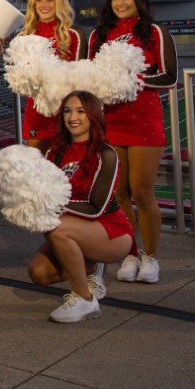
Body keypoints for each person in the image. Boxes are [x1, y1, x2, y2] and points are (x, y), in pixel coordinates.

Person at [88, 0, 177, 285]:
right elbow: (91, 77)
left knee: (143, 192)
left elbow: (170, 77)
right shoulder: (99, 35)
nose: (121, 3)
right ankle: (130, 252)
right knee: (120, 193)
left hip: (143, 121)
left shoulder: (154, 32)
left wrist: (130, 80)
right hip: (111, 122)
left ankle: (150, 257)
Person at [27, 91, 134, 323]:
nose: (72, 117)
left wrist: (52, 206)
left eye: (80, 111)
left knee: (56, 226)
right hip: (73, 227)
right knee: (39, 272)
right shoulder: (54, 152)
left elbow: (97, 207)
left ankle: (84, 299)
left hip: (111, 231)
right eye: (67, 111)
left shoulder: (106, 154)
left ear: (93, 115)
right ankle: (90, 266)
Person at [15, 0, 85, 152]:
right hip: (36, 112)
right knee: (38, 170)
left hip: (67, 111)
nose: (43, 5)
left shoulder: (74, 34)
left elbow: (82, 79)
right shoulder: (26, 35)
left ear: (59, 2)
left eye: (49, 0)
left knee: (67, 169)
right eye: (38, 0)